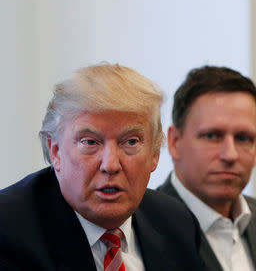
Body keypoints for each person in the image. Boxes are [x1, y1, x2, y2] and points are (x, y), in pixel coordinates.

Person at [0, 63, 204, 270]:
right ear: (55, 152)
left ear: (154, 154)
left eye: (131, 142)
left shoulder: (177, 223)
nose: (110, 165)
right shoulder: (7, 229)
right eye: (90, 142)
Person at [157, 66, 256, 271]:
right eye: (212, 136)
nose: (230, 154)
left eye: (243, 138)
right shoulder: (141, 229)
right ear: (175, 142)